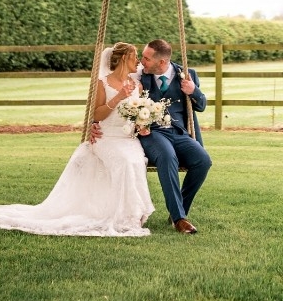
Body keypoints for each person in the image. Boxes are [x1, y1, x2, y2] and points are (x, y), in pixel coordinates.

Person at [0, 42, 155, 237]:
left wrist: (142, 124)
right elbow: (97, 115)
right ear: (123, 58)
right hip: (105, 137)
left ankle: (134, 214)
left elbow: (137, 113)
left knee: (136, 160)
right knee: (125, 162)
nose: (137, 61)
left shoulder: (136, 85)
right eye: (134, 56)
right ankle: (123, 216)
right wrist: (118, 97)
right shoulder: (103, 83)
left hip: (128, 139)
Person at [91, 38, 212, 234]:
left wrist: (194, 91)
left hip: (179, 132)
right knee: (166, 155)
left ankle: (177, 211)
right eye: (141, 57)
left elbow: (202, 105)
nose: (141, 62)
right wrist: (94, 124)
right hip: (152, 132)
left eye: (146, 58)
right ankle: (180, 219)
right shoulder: (140, 75)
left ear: (161, 62)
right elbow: (111, 93)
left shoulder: (187, 74)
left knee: (203, 161)